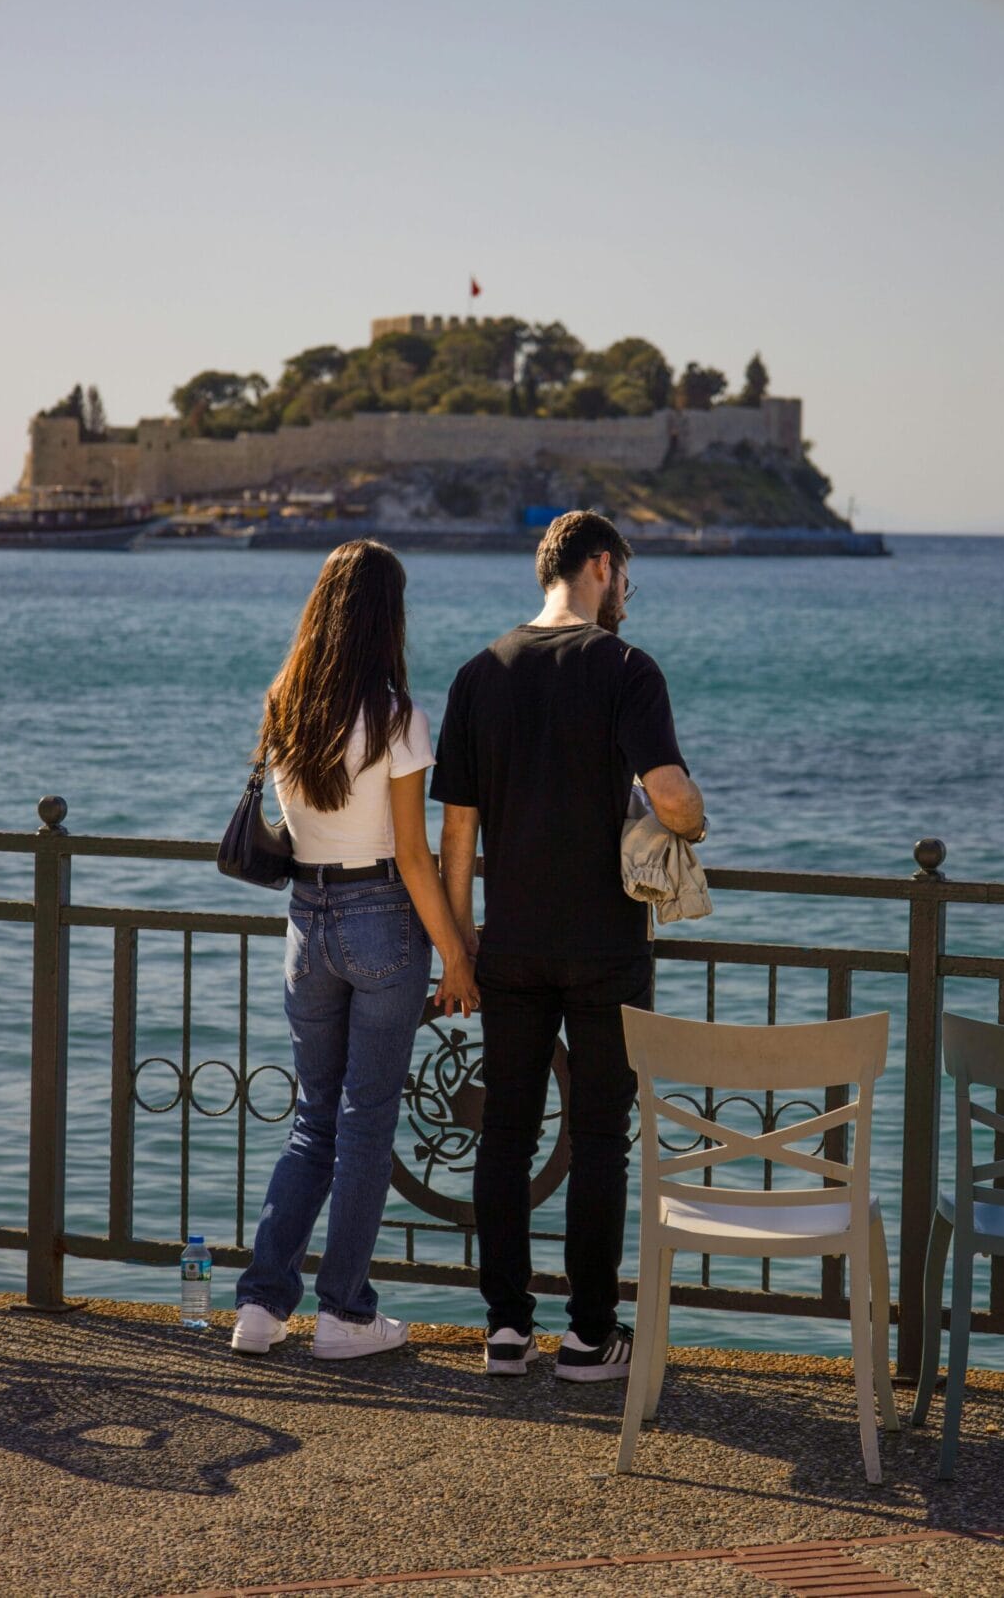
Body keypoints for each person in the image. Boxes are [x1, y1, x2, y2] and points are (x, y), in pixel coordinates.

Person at [431, 510, 705, 1380]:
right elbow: (670, 797)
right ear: (601, 566)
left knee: (505, 1135)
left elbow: (459, 829)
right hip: (604, 950)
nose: (626, 593)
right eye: (626, 577)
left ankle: (506, 1331)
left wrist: (462, 942)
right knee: (598, 1137)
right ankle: (591, 1338)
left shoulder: (480, 672)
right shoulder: (627, 668)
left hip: (508, 943)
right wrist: (694, 817)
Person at [232, 541, 478, 1359]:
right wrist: (456, 956)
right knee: (366, 1123)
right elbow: (414, 856)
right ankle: (345, 1315)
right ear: (386, 617)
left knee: (313, 1120)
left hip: (306, 921)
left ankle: (261, 1309)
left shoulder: (284, 702)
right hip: (380, 920)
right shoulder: (396, 714)